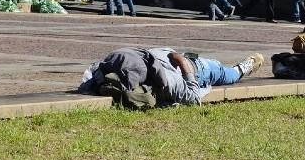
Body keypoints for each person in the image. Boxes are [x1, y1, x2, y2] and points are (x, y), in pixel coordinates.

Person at [79, 47, 264, 106]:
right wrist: (180, 60)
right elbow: (193, 96)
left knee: (228, 73)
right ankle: (242, 68)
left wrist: (180, 59)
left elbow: (191, 97)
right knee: (226, 74)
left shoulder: (121, 59)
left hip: (196, 65)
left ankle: (244, 66)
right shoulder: (120, 59)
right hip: (193, 69)